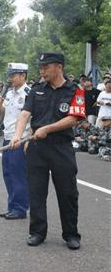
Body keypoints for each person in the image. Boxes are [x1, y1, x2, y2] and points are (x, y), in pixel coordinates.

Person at [10, 51, 85, 250]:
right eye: (40, 67)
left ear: (59, 67)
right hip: (37, 148)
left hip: (61, 148)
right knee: (36, 192)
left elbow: (74, 118)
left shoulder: (74, 90)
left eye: (46, 67)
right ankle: (37, 232)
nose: (41, 71)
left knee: (67, 193)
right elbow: (25, 114)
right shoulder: (37, 90)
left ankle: (71, 234)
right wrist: (17, 135)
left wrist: (47, 129)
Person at [0, 63, 30, 220]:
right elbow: (5, 115)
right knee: (8, 174)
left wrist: (28, 140)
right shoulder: (9, 93)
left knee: (18, 175)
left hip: (20, 140)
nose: (10, 79)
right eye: (9, 75)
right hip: (7, 138)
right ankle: (12, 205)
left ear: (23, 76)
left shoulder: (29, 94)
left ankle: (20, 208)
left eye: (13, 75)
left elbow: (35, 119)